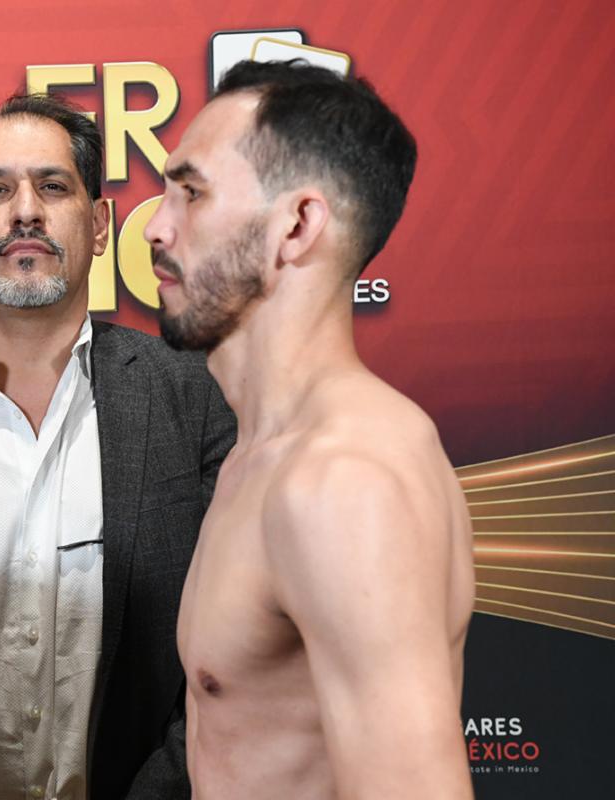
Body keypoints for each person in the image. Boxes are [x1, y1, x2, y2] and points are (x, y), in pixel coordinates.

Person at [0, 94, 236, 799]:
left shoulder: (196, 397)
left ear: (99, 225)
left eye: (53, 187)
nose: (25, 212)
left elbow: (234, 660)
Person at [146, 60, 475, 799]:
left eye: (191, 193)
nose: (157, 227)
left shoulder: (342, 480)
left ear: (296, 227)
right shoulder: (262, 455)